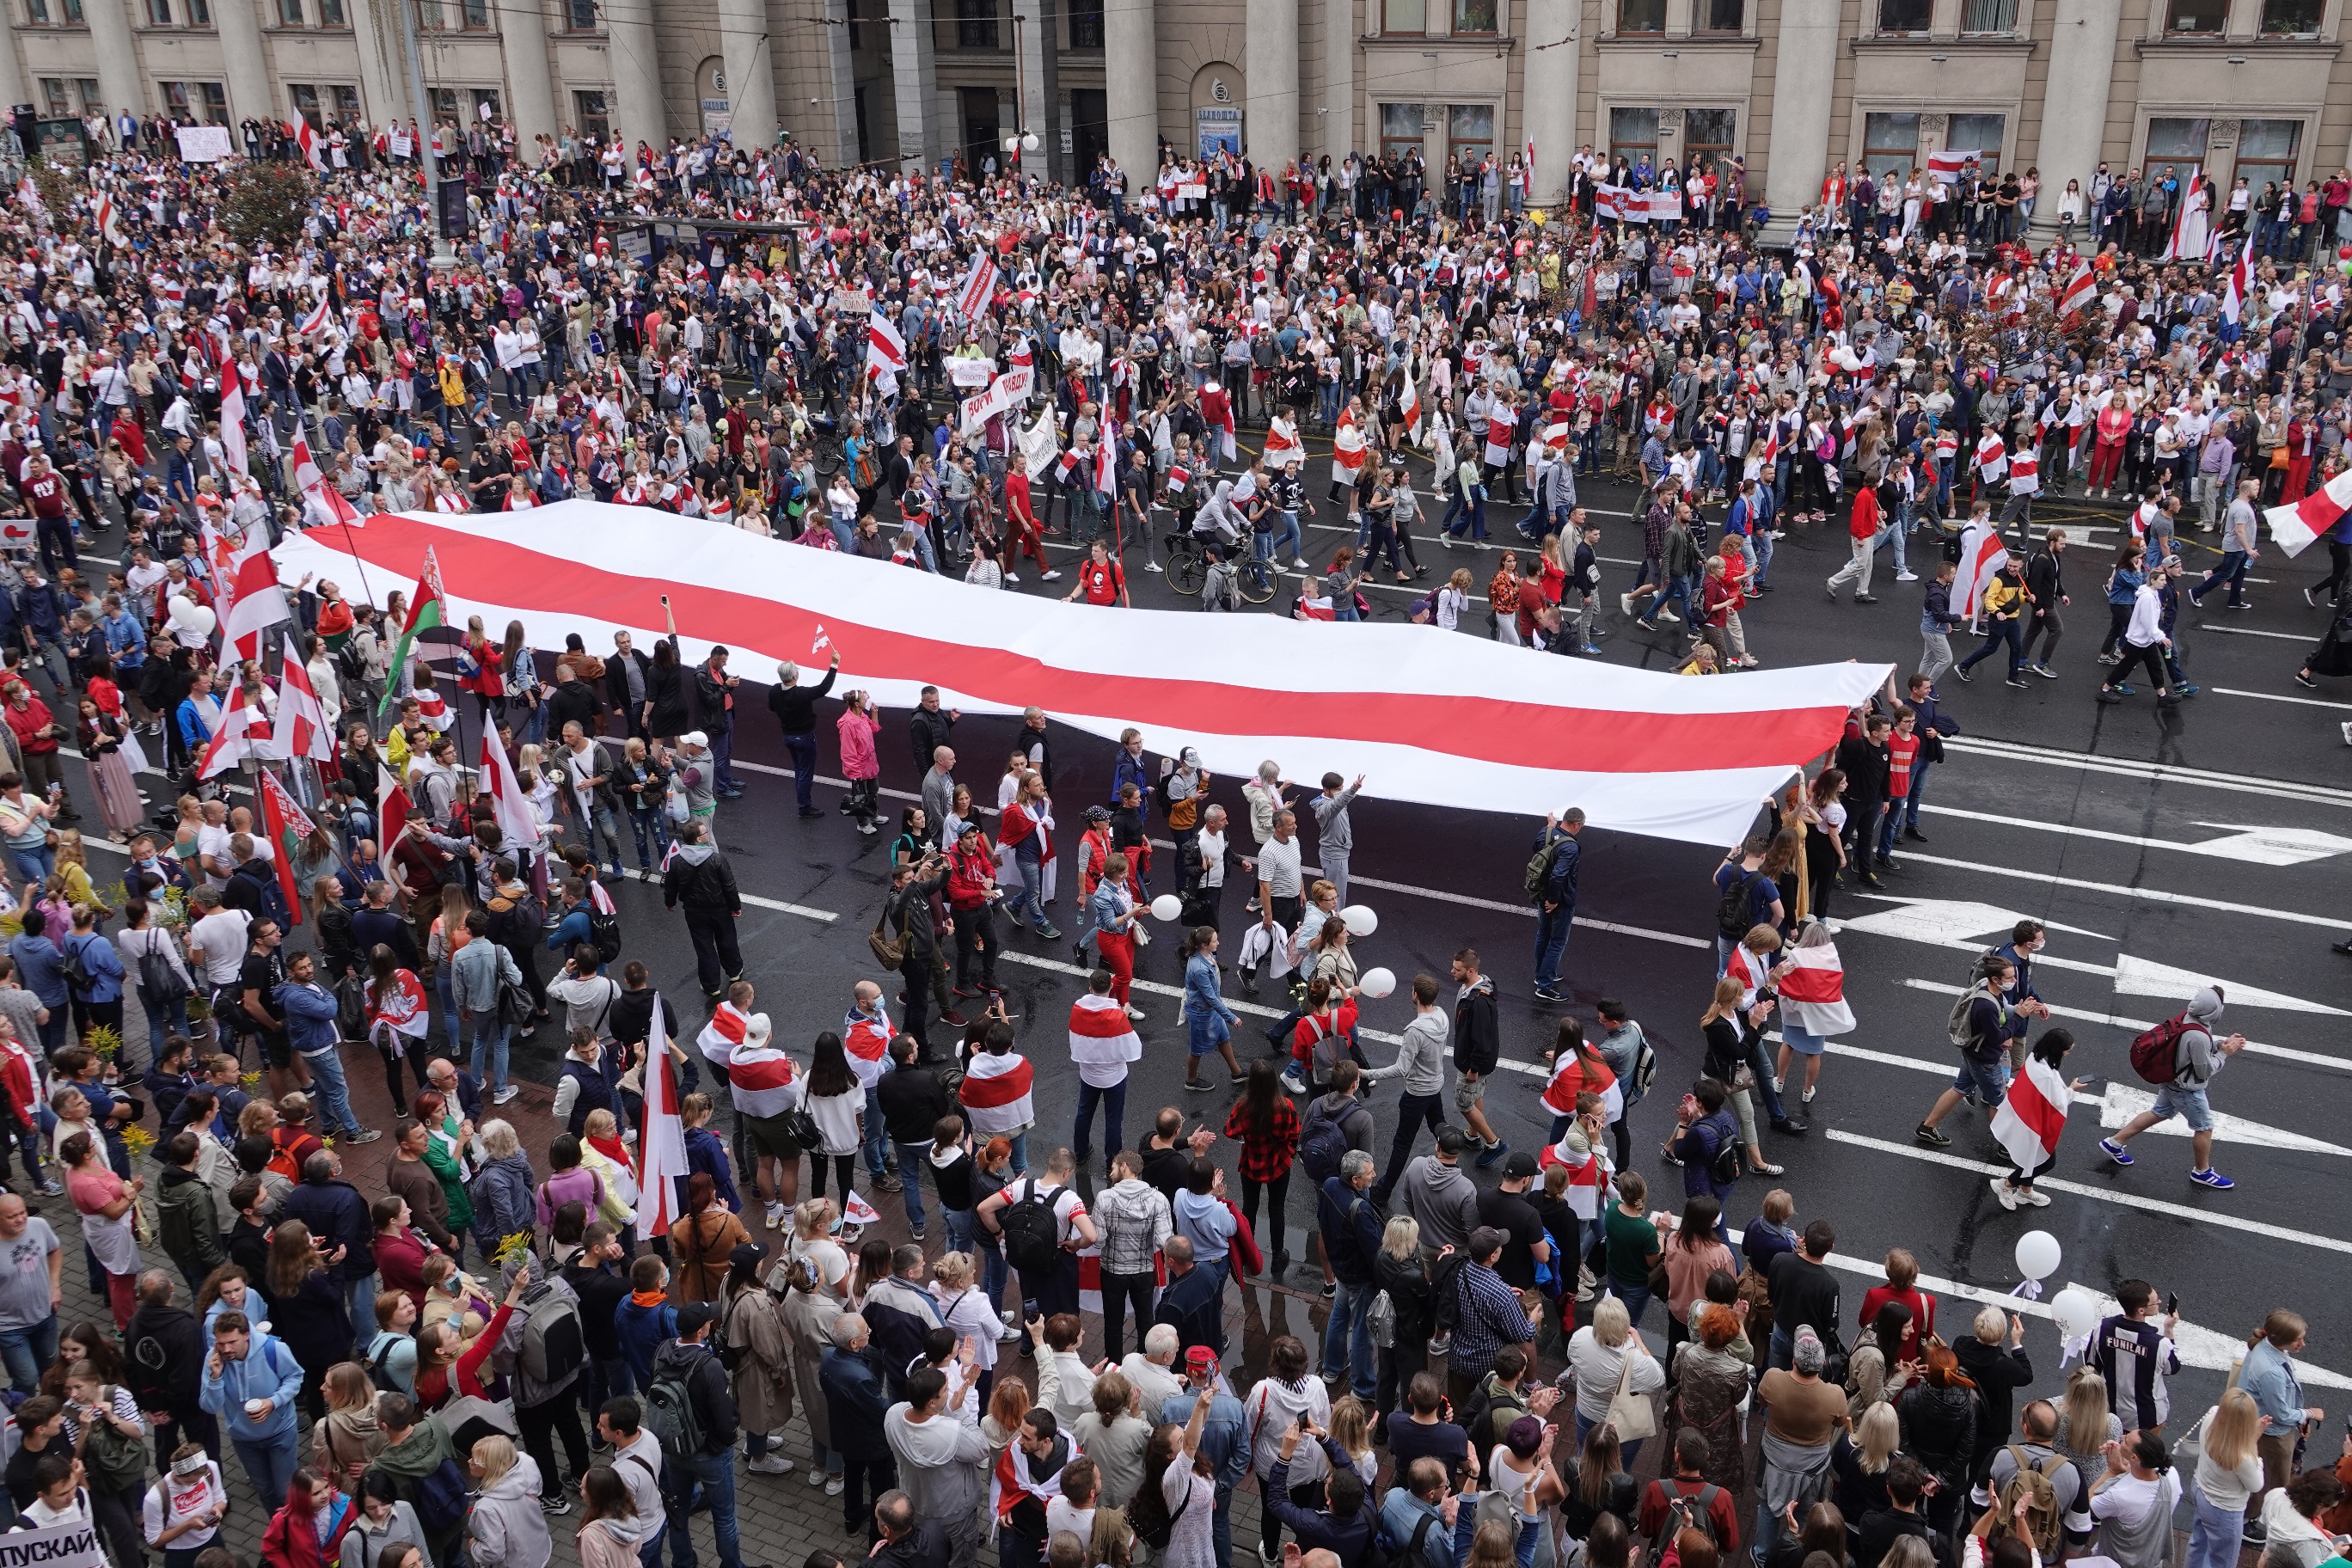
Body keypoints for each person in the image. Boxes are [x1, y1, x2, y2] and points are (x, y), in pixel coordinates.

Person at [2098, 986, 2246, 1189]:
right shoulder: (2199, 1036)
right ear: (2214, 1011)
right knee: (2204, 1128)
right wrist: (2224, 1054)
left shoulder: (2190, 1017)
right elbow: (2204, 1070)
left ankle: (2114, 1143)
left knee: (2158, 1112)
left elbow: (2195, 1047)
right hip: (2187, 1089)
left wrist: (2220, 1043)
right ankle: (2202, 1172)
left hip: (2172, 1081)